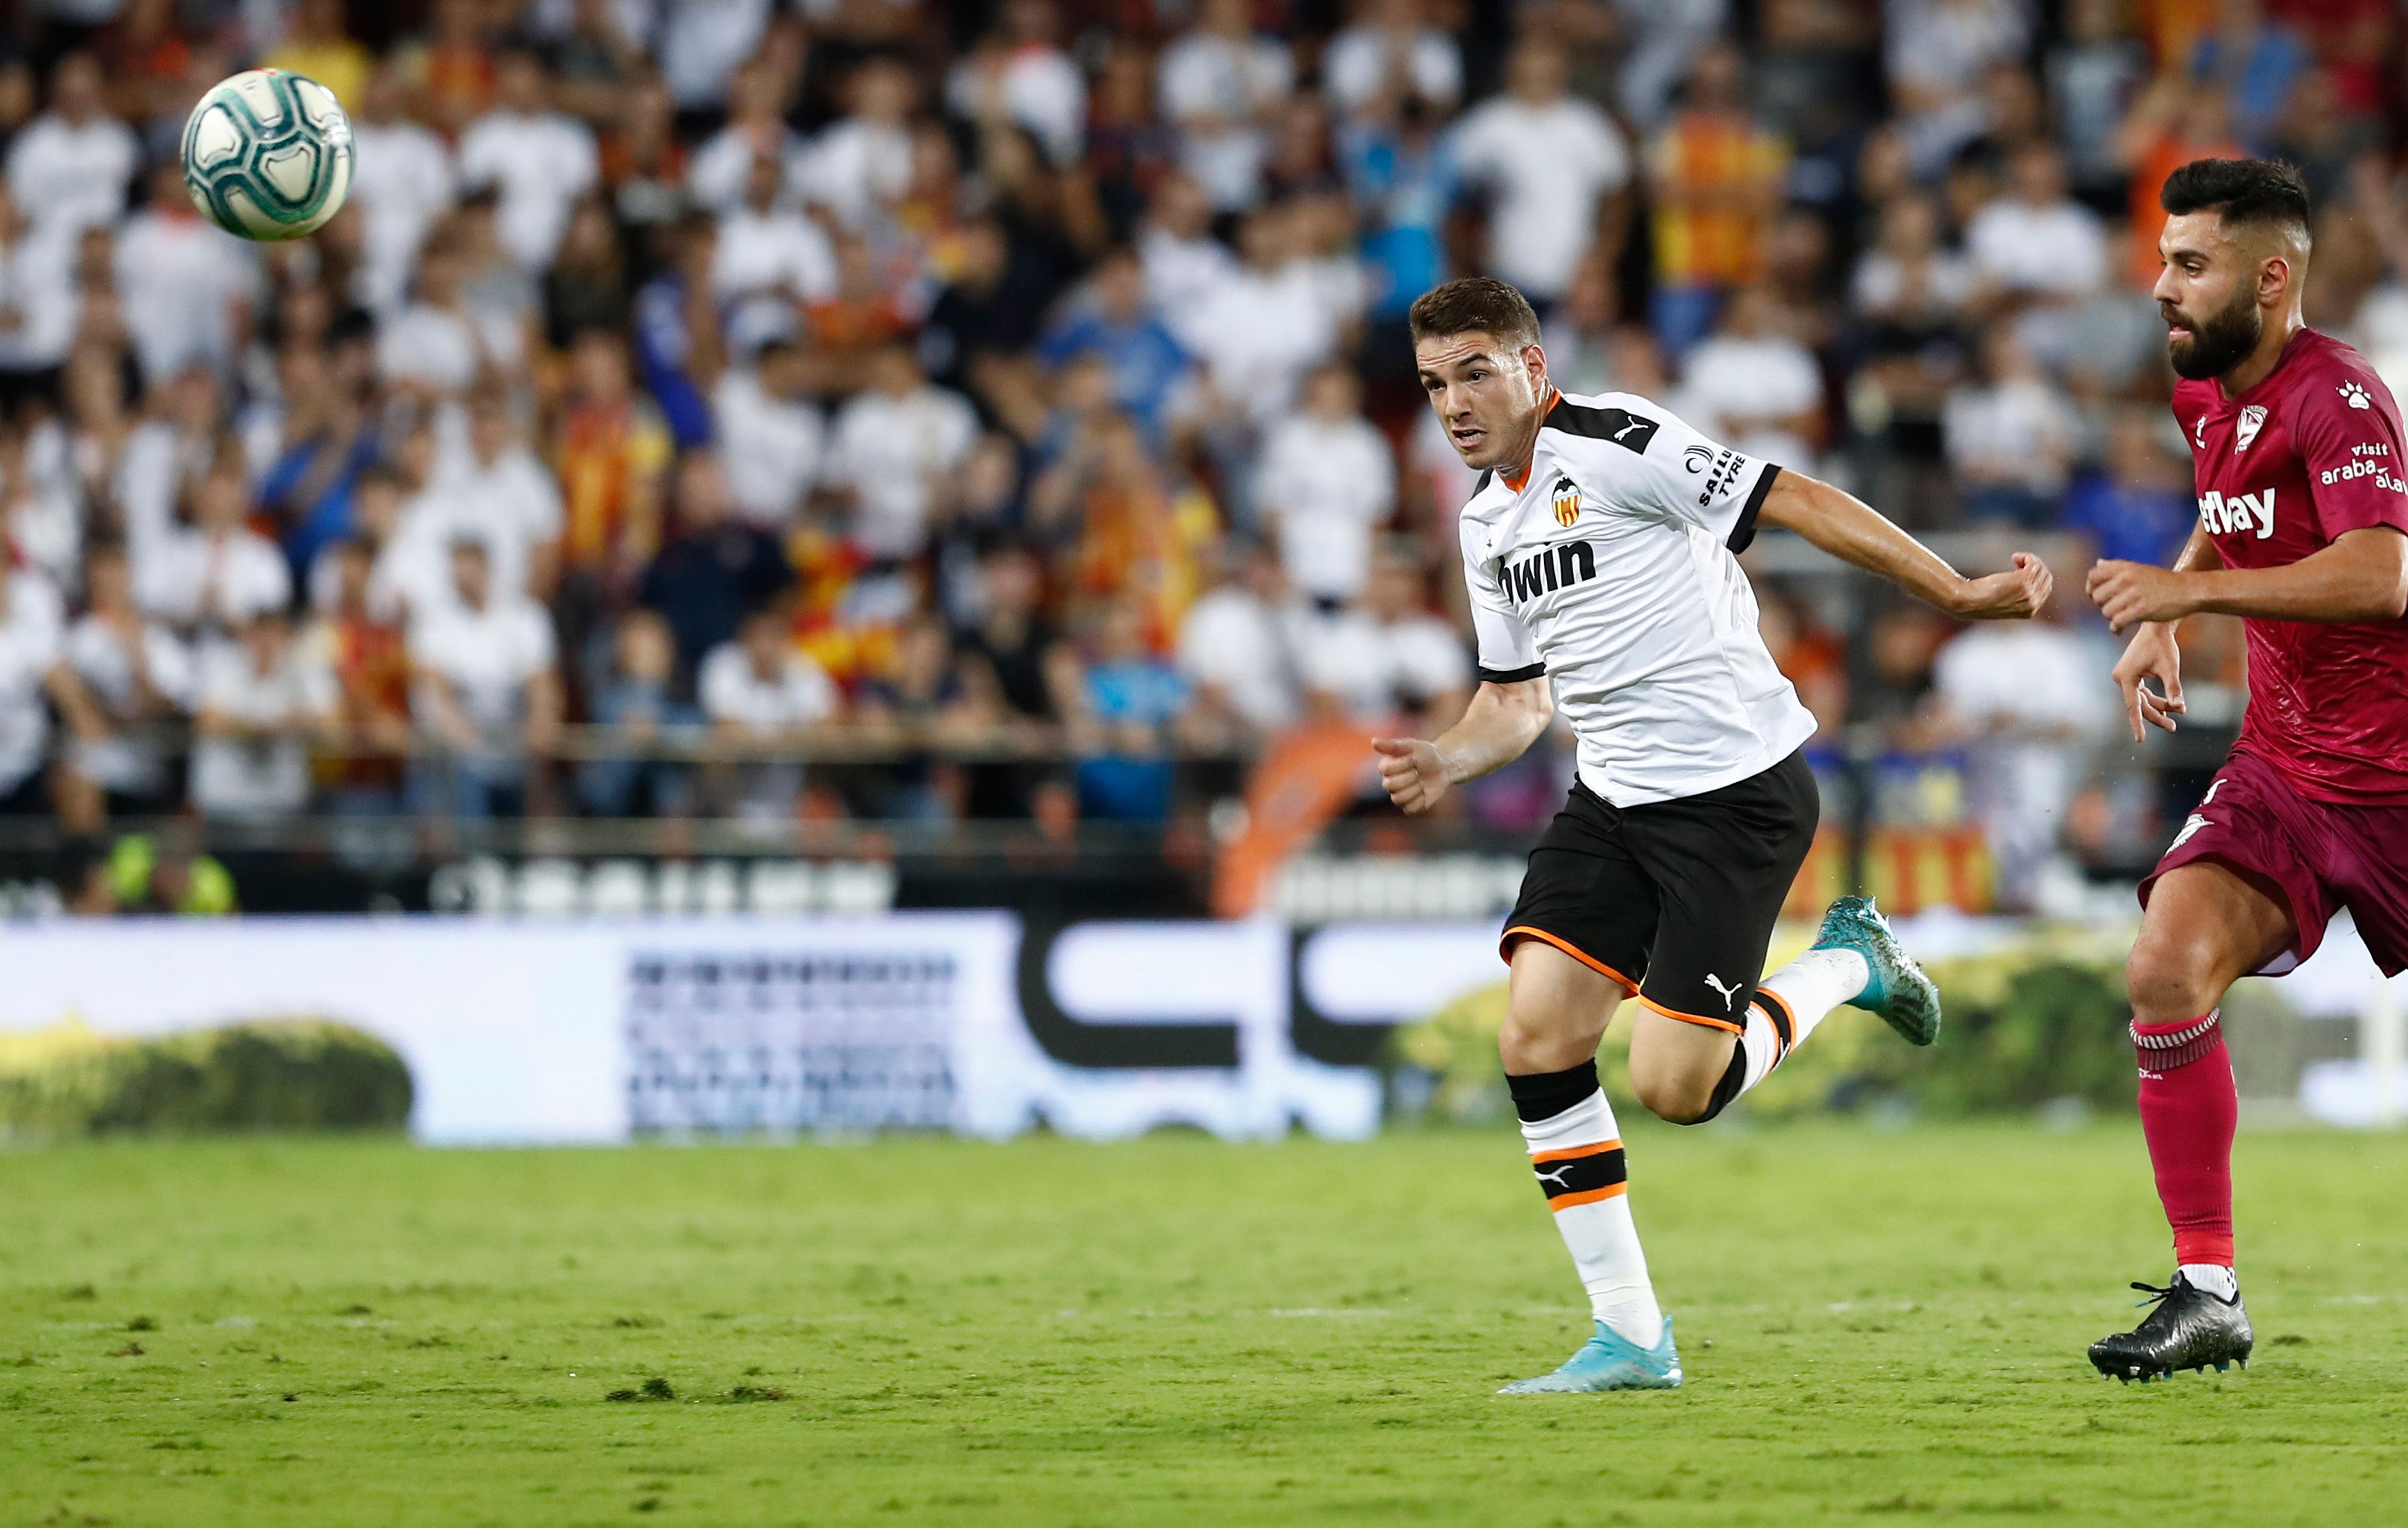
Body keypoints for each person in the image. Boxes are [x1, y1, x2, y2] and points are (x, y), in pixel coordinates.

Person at [1377, 276, 2051, 1393]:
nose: (1452, 402)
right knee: (1534, 1036)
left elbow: (1794, 498)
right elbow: (1515, 699)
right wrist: (1447, 757)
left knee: (1677, 1089)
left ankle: (1849, 963)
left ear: (1533, 368)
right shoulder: (1482, 523)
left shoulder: (1617, 442)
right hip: (1611, 800)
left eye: (1474, 372)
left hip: (1733, 795)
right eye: (1433, 382)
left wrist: (1950, 591)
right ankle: (1631, 1336)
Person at [2082, 159, 2408, 1382]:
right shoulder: (2206, 392)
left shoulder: (2342, 397)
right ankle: (2206, 1288)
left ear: (2269, 279)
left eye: (2190, 264)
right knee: (2164, 964)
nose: (2160, 286)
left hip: (2398, 777)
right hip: (2286, 766)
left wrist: (2189, 598)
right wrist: (2170, 607)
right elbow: (2237, 512)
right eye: (2162, 260)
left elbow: (2380, 575)